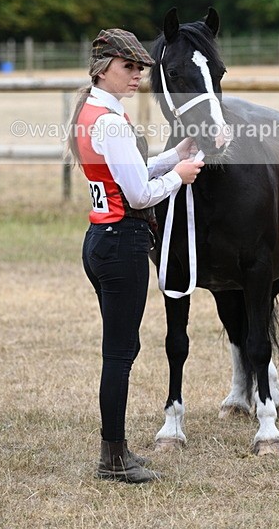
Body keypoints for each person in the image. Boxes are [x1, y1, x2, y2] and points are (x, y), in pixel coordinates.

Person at [66, 28, 204, 484]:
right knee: (120, 353)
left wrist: (171, 157)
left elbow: (128, 174)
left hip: (100, 239)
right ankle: (113, 457)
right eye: (128, 66)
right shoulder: (111, 121)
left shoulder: (91, 112)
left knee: (119, 349)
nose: (137, 75)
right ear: (103, 69)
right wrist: (180, 177)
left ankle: (114, 451)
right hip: (123, 244)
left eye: (141, 67)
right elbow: (141, 195)